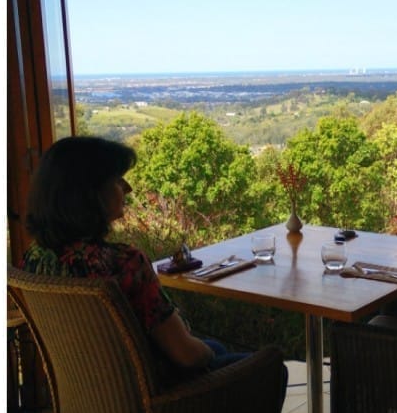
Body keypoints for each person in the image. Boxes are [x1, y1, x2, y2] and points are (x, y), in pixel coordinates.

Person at [20, 136, 276, 384]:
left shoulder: (35, 258)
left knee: (216, 348)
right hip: (154, 396)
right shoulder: (124, 263)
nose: (127, 188)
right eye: (117, 180)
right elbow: (186, 355)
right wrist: (206, 354)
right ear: (89, 194)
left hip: (90, 391)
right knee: (270, 368)